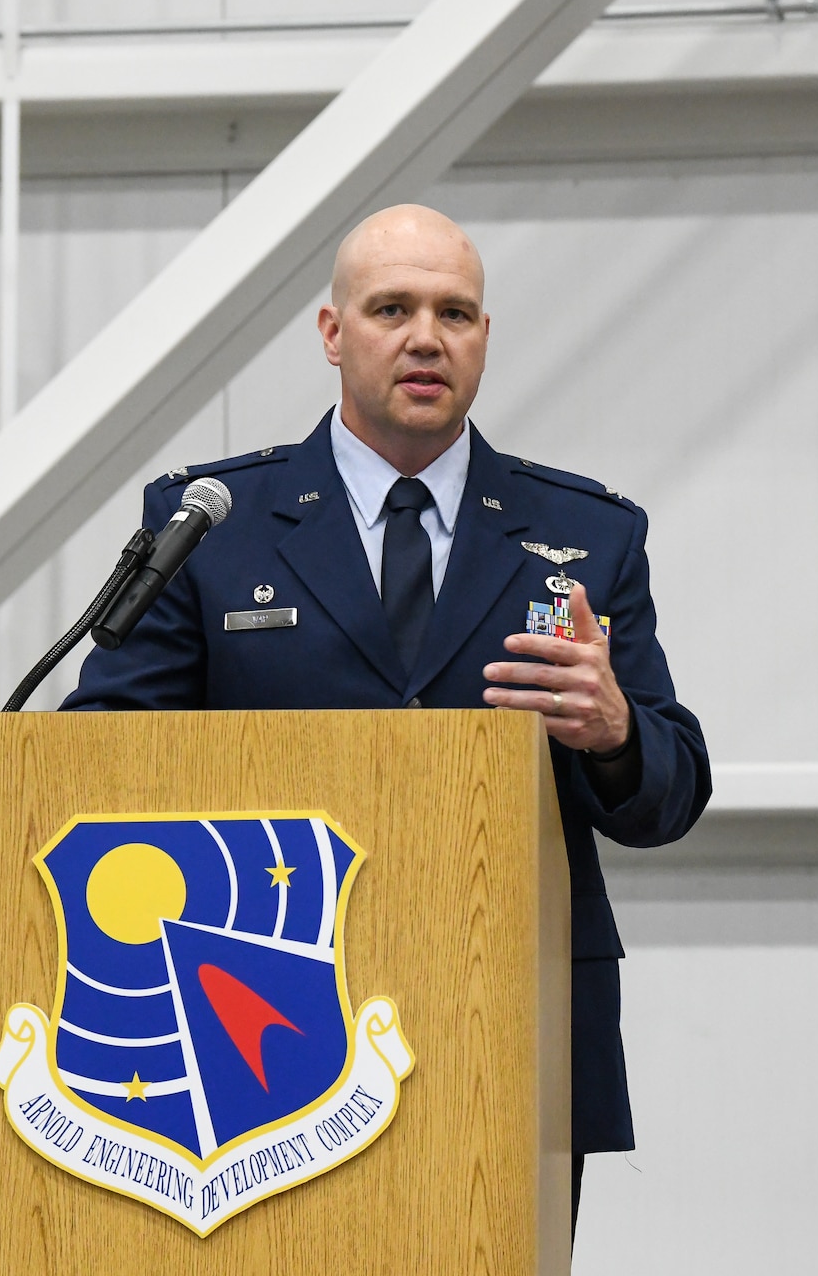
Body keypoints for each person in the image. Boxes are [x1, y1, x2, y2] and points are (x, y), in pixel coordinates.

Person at [64, 203, 712, 1224]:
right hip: (264, 1029)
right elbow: (95, 761)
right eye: (391, 308)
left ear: (484, 340)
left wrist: (615, 731)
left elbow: (668, 794)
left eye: (454, 312)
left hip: (513, 1013)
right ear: (333, 333)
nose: (424, 336)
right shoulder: (212, 528)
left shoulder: (584, 533)